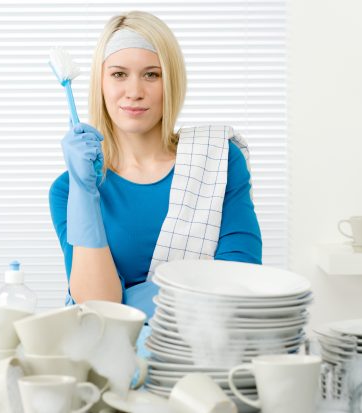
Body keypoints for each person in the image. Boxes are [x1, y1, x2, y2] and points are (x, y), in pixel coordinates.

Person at [49, 11, 262, 321]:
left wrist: (132, 300)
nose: (134, 91)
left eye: (151, 74)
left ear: (171, 82)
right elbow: (99, 306)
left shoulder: (219, 160)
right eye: (119, 74)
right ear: (101, 84)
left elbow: (239, 282)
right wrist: (84, 192)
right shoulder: (68, 190)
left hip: (204, 358)